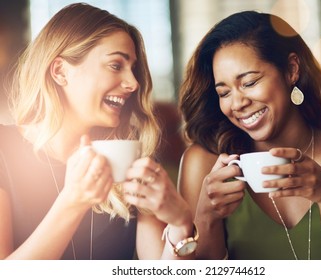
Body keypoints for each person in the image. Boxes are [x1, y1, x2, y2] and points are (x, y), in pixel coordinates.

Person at [0, 3, 197, 260]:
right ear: (60, 71)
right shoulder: (4, 149)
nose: (133, 83)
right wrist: (73, 201)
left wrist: (180, 224)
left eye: (133, 69)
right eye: (116, 65)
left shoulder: (131, 158)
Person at [178, 10, 321, 259]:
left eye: (249, 83)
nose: (237, 103)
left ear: (291, 70)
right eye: (224, 92)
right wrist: (206, 218)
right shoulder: (204, 165)